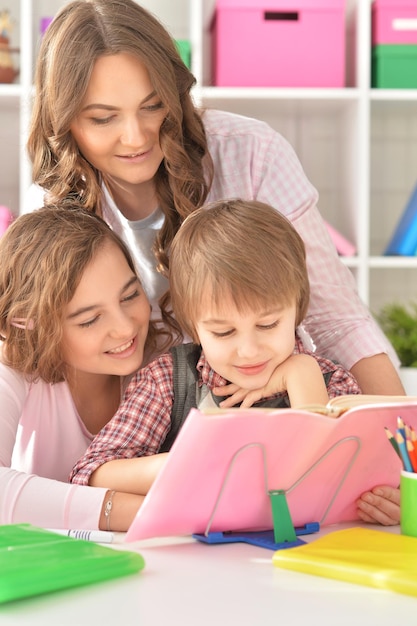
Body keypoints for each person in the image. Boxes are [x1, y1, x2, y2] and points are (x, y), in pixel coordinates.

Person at [25, 0, 405, 398]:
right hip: (143, 412)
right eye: (103, 118)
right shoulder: (54, 203)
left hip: (263, 400)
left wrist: (401, 438)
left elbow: (336, 321)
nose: (136, 137)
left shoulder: (252, 154)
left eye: (153, 106)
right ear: (62, 121)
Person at [70, 199, 362, 491]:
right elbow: (92, 474)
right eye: (223, 332)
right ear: (193, 326)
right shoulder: (167, 382)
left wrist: (303, 376)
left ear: (297, 309)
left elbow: (333, 476)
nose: (249, 350)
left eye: (267, 325)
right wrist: (186, 464)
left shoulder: (331, 383)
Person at [0, 205, 170, 531]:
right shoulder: (14, 365)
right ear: (32, 325)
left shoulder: (165, 358)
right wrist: (146, 513)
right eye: (90, 319)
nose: (125, 329)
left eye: (130, 295)